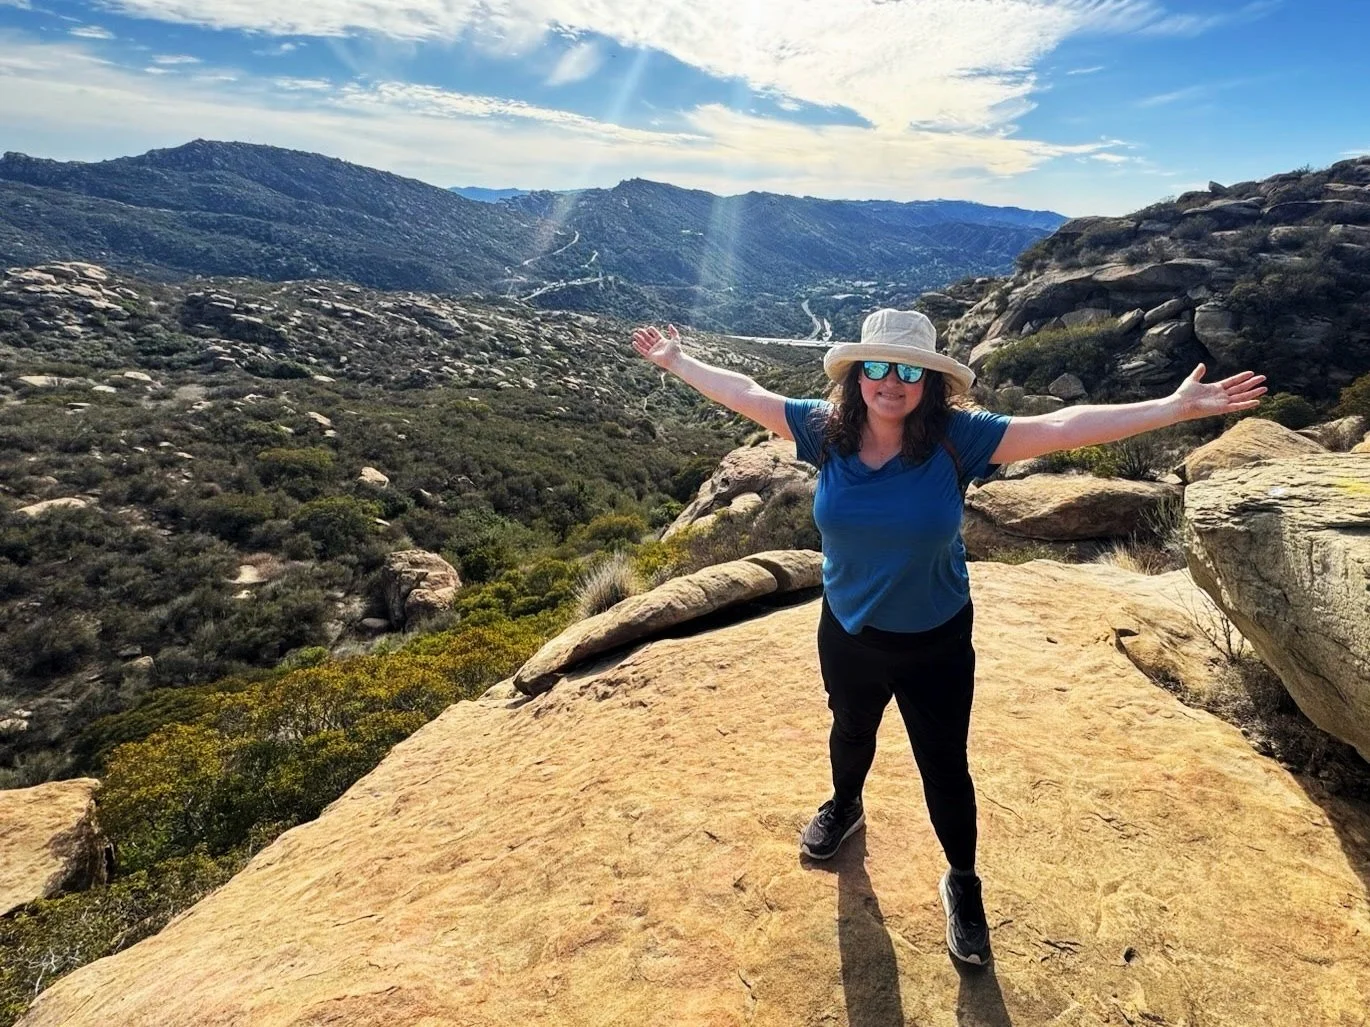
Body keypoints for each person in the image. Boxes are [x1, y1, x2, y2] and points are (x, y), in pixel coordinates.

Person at [630, 308, 1265, 966]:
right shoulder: (827, 431)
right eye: (876, 366)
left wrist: (1169, 408)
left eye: (910, 370)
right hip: (847, 630)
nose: (891, 381)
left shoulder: (958, 439)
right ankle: (845, 804)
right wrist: (679, 362)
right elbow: (748, 395)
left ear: (931, 383)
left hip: (934, 638)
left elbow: (1059, 425)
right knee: (849, 731)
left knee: (945, 769)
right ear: (856, 375)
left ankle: (962, 880)